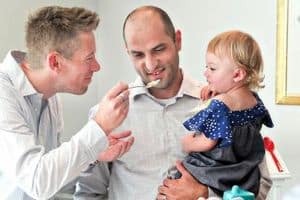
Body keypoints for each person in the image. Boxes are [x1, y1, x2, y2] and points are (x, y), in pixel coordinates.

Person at [74, 6, 272, 200]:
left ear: (178, 40)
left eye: (158, 49)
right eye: (138, 54)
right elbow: (88, 194)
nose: (151, 65)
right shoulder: (106, 115)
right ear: (128, 53)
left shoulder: (222, 104)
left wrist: (205, 194)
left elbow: (261, 185)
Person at [0, 6, 134, 200]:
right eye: (89, 58)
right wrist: (99, 126)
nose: (97, 66)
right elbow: (37, 183)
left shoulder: (50, 96)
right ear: (55, 62)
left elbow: (54, 177)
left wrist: (94, 155)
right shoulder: (3, 95)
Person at [170, 30, 274, 197]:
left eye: (212, 68)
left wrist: (188, 143)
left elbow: (208, 142)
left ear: (238, 74)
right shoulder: (255, 101)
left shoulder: (221, 104)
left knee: (176, 177)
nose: (205, 73)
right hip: (242, 174)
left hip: (212, 171)